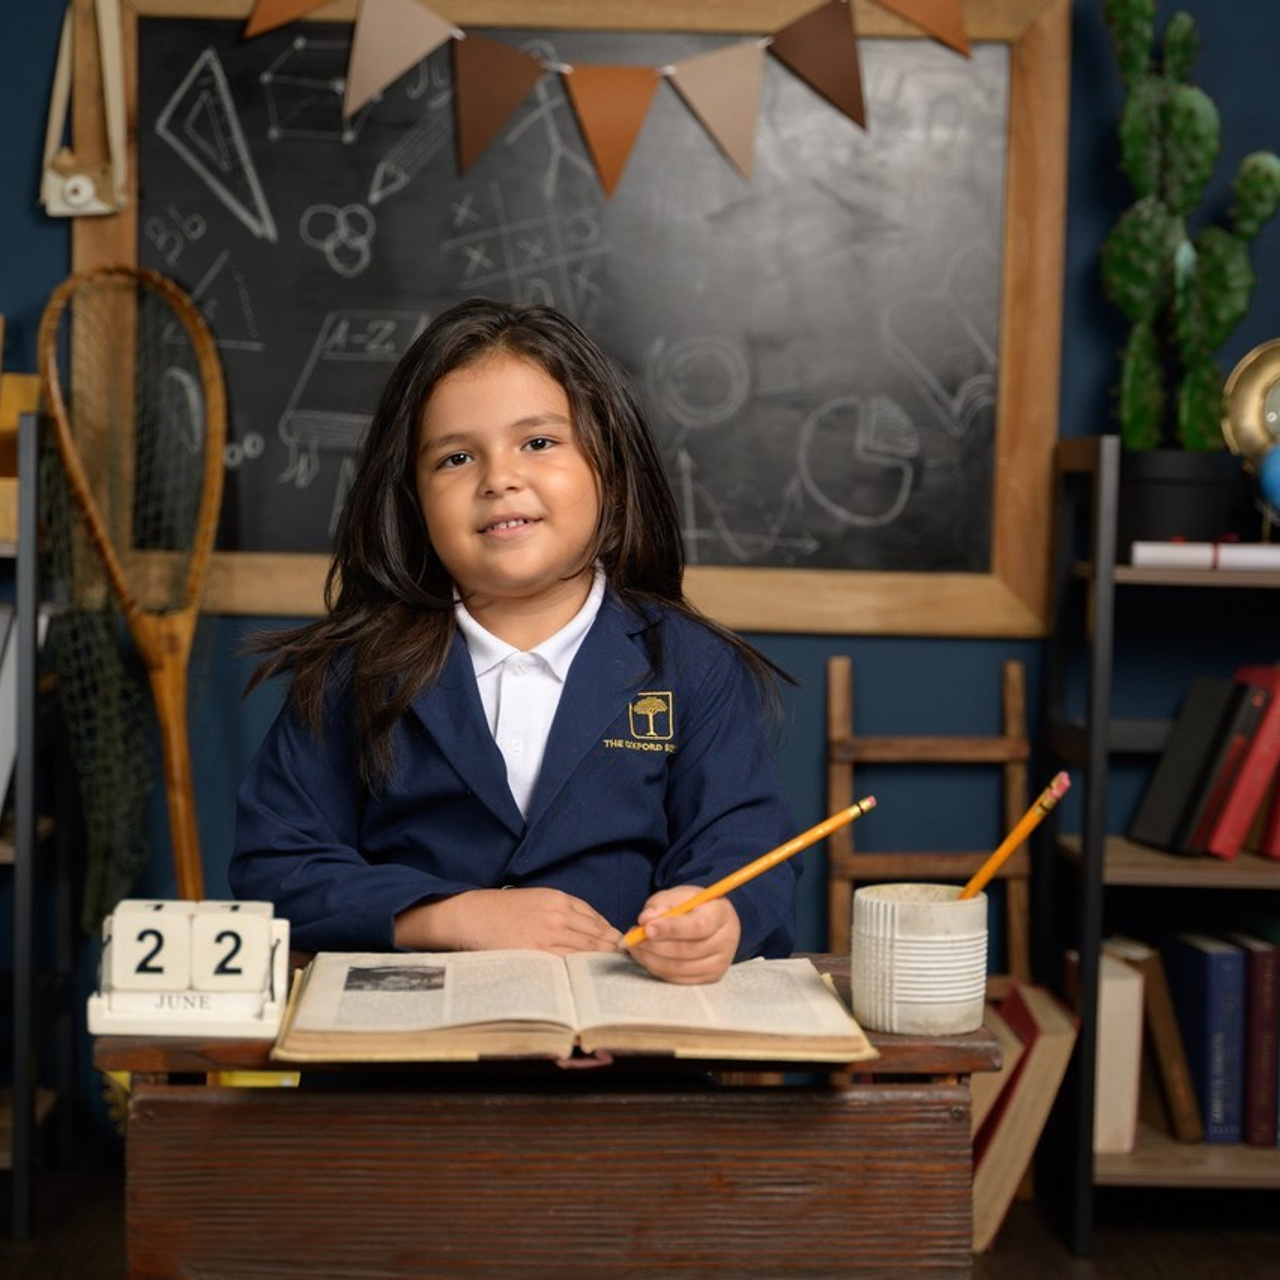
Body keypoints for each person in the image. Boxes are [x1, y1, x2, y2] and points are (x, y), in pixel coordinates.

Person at [231, 298, 797, 985]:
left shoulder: (693, 668)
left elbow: (745, 852)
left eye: (538, 442)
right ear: (413, 501)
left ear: (610, 470)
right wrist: (450, 917)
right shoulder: (353, 672)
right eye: (457, 457)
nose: (499, 478)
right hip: (408, 1066)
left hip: (630, 1063)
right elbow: (276, 867)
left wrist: (719, 920)